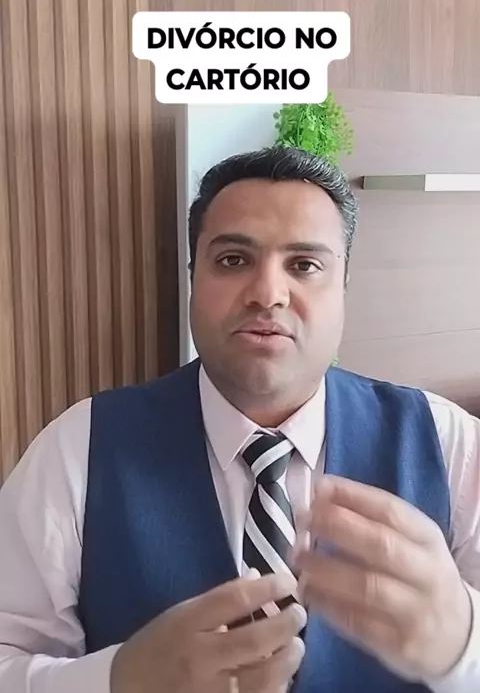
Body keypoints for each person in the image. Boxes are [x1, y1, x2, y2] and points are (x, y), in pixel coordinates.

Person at [0, 145, 479, 693]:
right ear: (193, 277)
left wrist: (464, 645)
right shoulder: (76, 451)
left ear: (344, 284)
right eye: (233, 260)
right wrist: (115, 680)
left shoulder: (450, 445)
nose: (268, 295)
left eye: (304, 265)